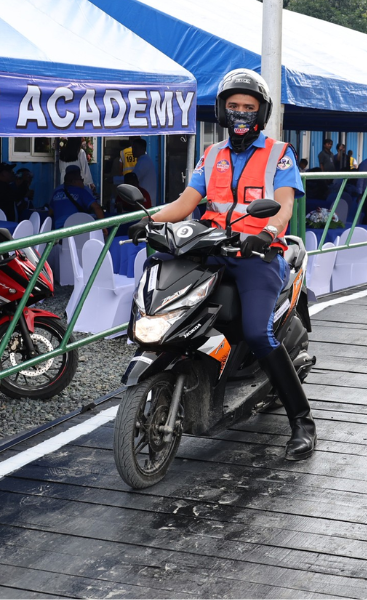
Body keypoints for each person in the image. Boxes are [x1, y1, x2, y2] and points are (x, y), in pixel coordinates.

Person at [127, 68, 315, 461]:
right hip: (210, 247)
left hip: (258, 254)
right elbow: (185, 205)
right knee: (167, 292)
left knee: (258, 331)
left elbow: (283, 206)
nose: (241, 113)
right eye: (234, 106)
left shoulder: (279, 153)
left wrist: (266, 233)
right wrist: (149, 220)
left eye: (249, 107)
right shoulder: (212, 154)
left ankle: (302, 422)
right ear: (222, 111)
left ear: (260, 113)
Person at [128, 138, 158, 205]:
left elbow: (133, 178)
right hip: (145, 200)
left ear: (143, 149)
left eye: (136, 148)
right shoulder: (144, 160)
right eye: (133, 148)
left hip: (146, 202)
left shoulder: (143, 162)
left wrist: (114, 179)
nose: (133, 151)